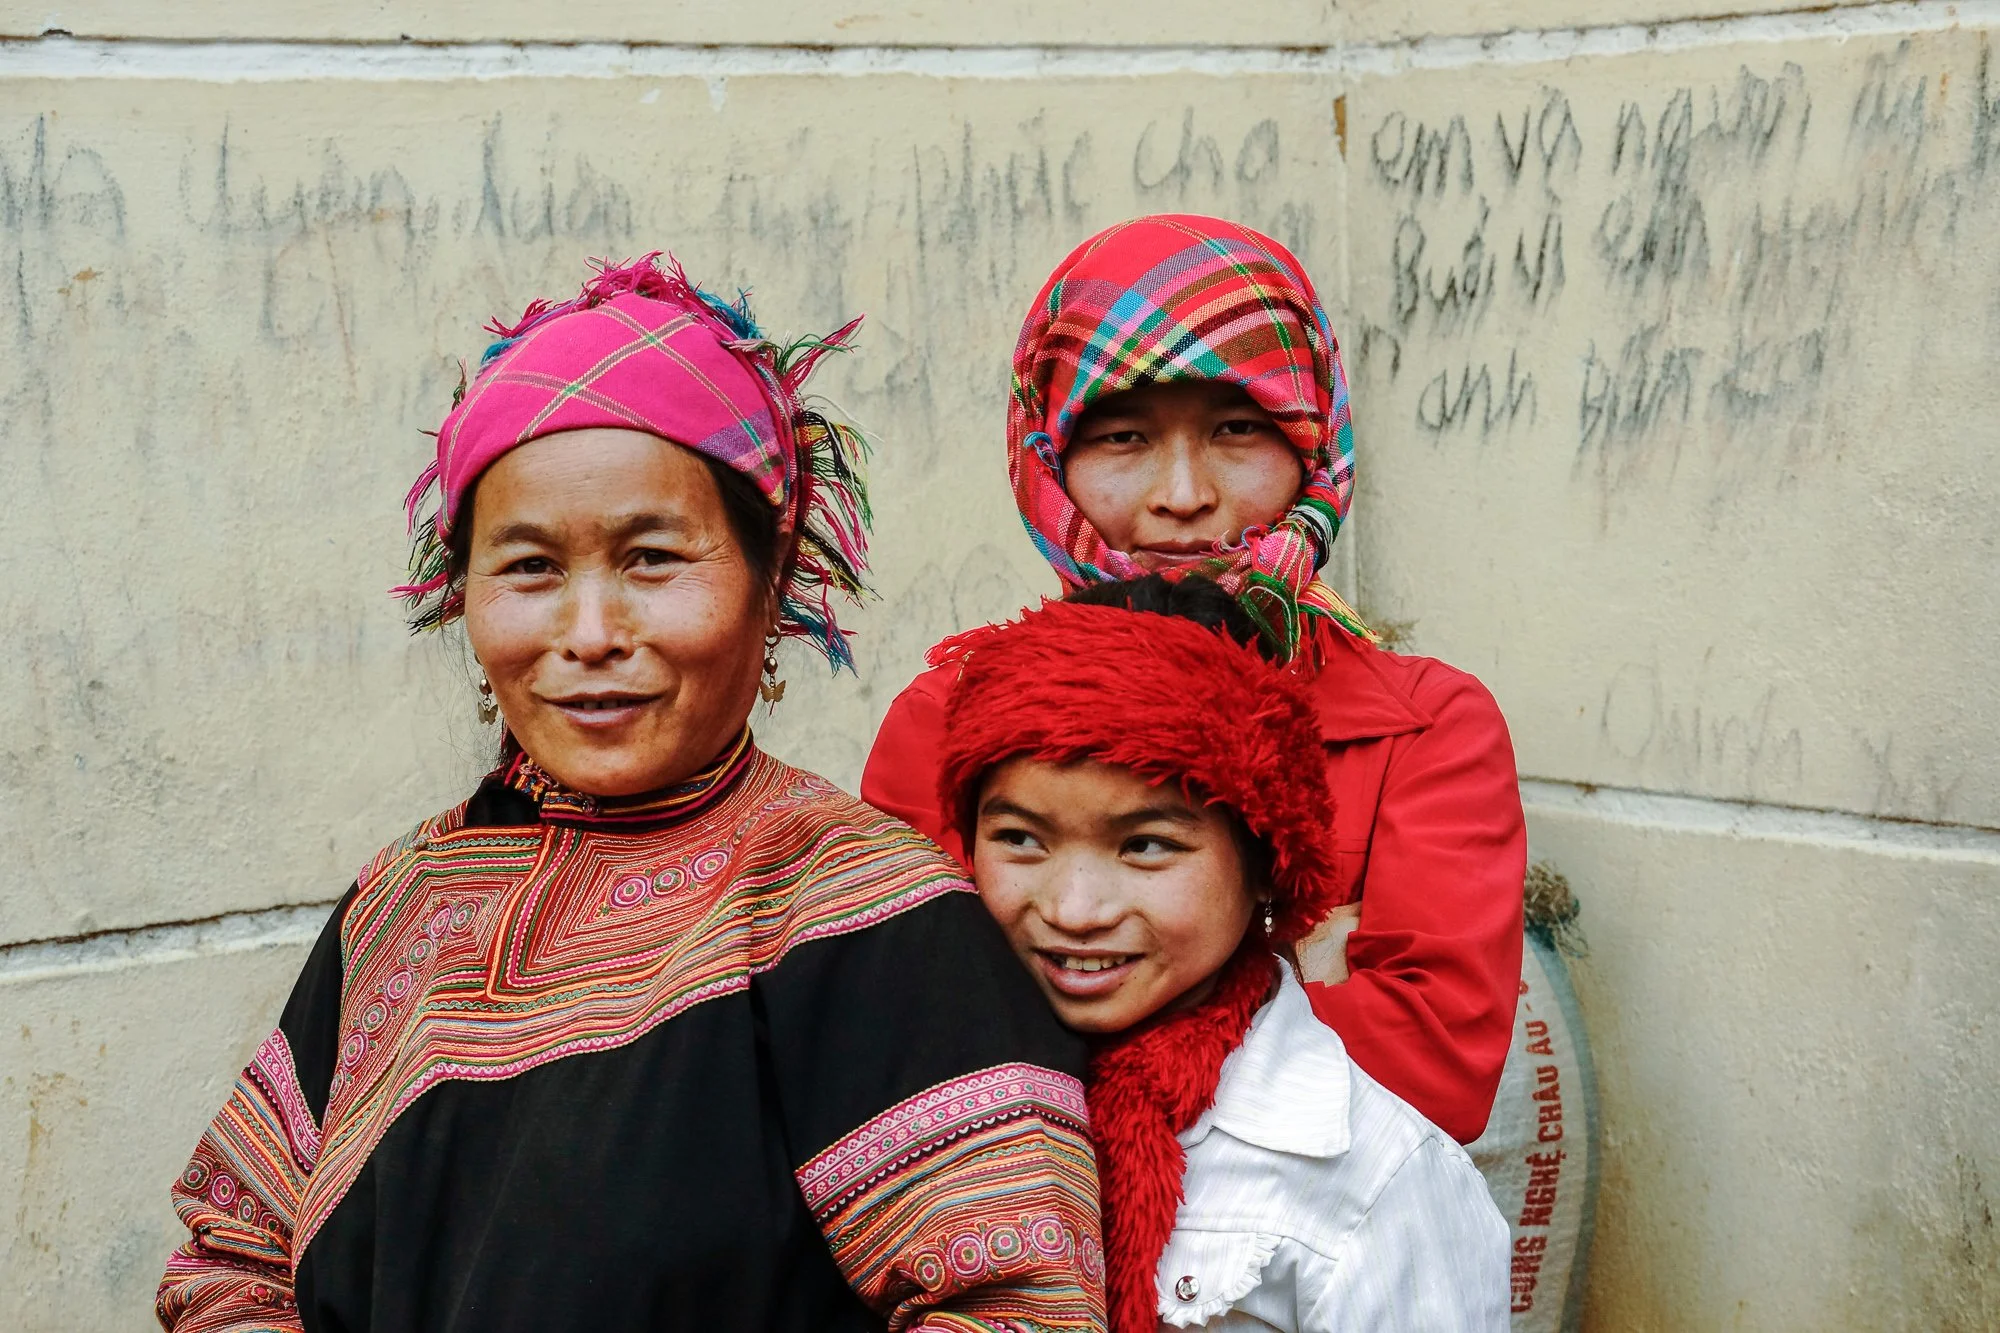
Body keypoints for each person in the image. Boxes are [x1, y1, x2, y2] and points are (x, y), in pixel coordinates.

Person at [156, 256, 1105, 1332]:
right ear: (461, 594)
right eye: (527, 568)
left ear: (770, 574)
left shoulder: (868, 918)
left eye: (653, 558)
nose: (591, 632)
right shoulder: (405, 902)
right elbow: (231, 1257)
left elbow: (1017, 1309)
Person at [862, 214, 1526, 1144]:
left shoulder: (1425, 729)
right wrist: (1280, 1009)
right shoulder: (945, 721)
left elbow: (1433, 1068)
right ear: (1046, 458)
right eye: (1125, 437)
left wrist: (1061, 1038)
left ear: (1314, 445)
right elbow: (902, 1039)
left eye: (1236, 428)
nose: (1182, 494)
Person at [932, 577, 1510, 1331]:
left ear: (1268, 860)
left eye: (1145, 846)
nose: (1073, 908)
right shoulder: (932, 1109)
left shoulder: (1373, 1182)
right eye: (1020, 839)